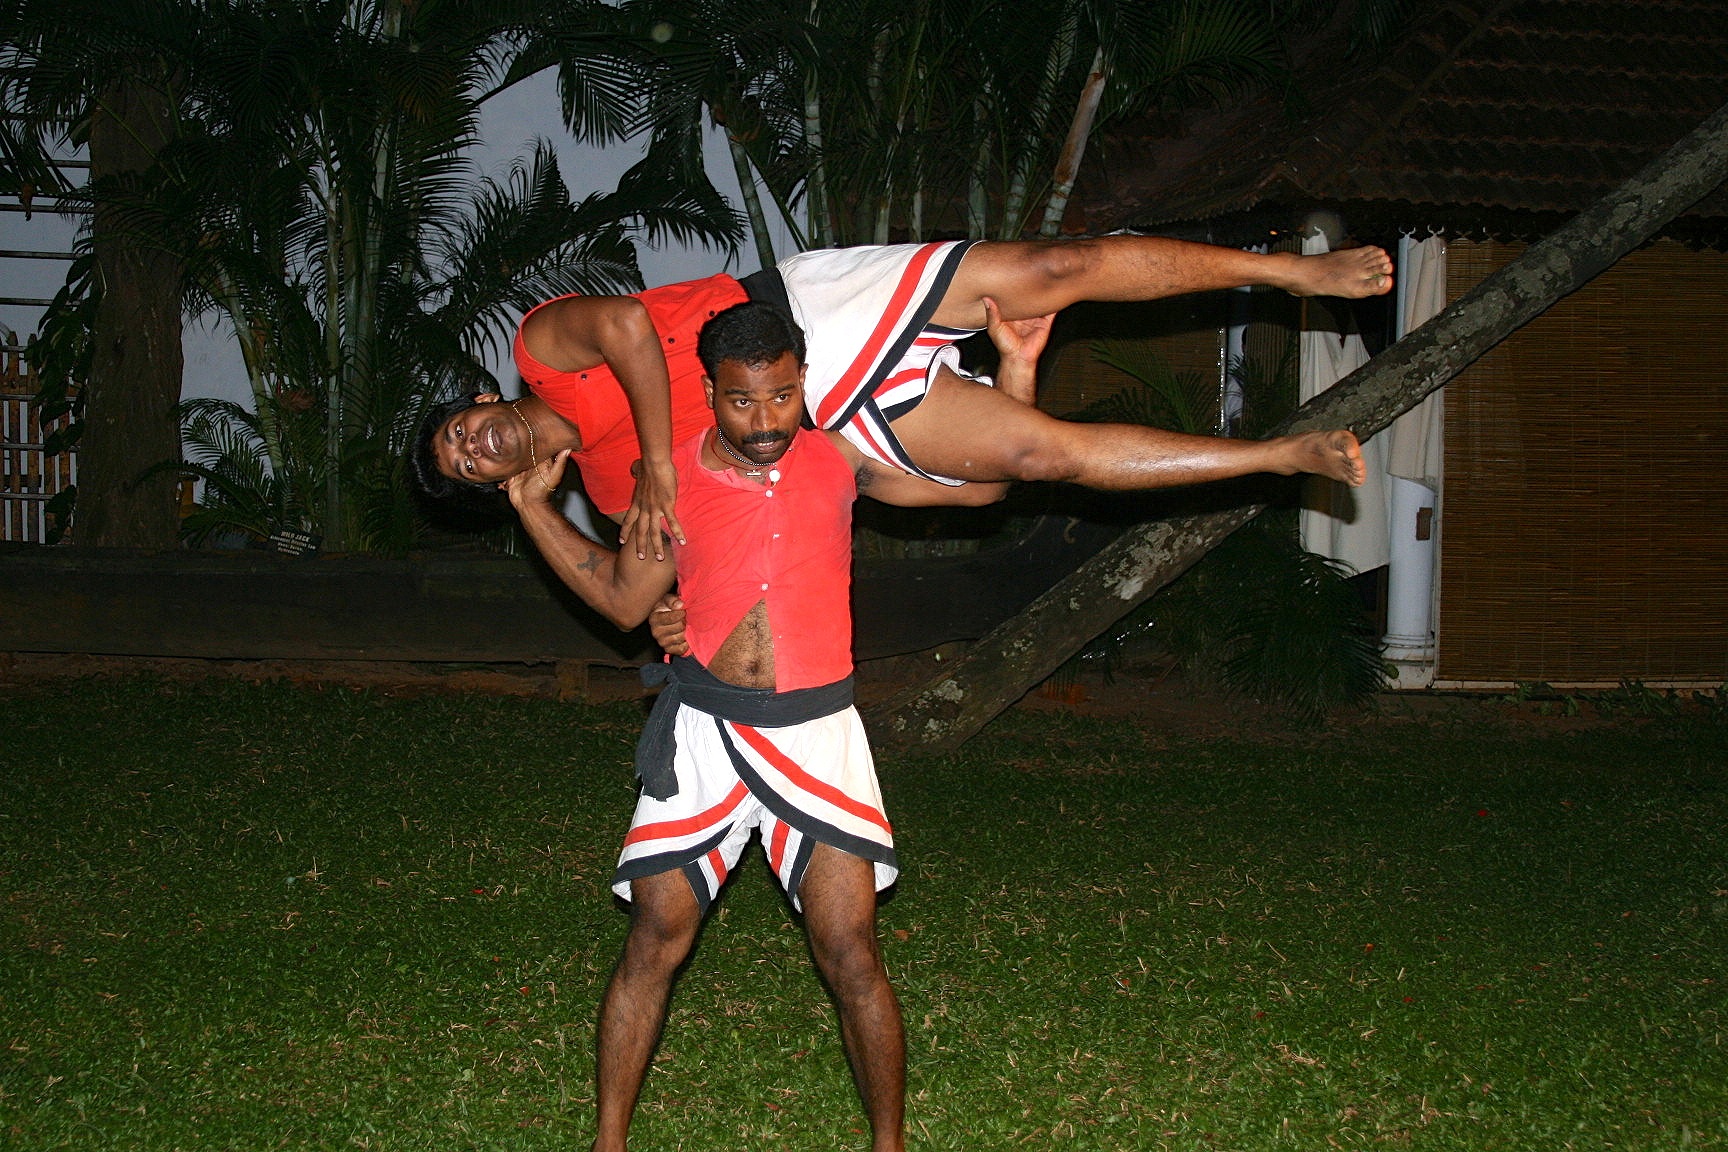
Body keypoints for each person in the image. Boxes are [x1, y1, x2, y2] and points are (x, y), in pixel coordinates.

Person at [510, 301, 1014, 1152]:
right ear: (709, 391)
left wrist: (1019, 370)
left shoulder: (843, 458)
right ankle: (607, 1143)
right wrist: (532, 510)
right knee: (654, 940)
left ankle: (889, 1144)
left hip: (819, 734)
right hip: (705, 734)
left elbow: (990, 485)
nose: (766, 420)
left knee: (850, 953)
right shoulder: (665, 479)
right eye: (743, 401)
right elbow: (620, 597)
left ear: (803, 383)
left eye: (781, 397)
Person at [414, 236, 1384, 558]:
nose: (476, 445)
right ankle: (1280, 458)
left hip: (811, 310)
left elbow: (626, 330)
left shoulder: (540, 348)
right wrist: (550, 518)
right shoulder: (621, 498)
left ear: (477, 399)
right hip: (828, 423)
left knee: (1057, 265)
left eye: (460, 430)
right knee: (1037, 457)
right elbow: (663, 590)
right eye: (468, 467)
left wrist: (664, 462)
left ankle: (1298, 275)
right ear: (501, 481)